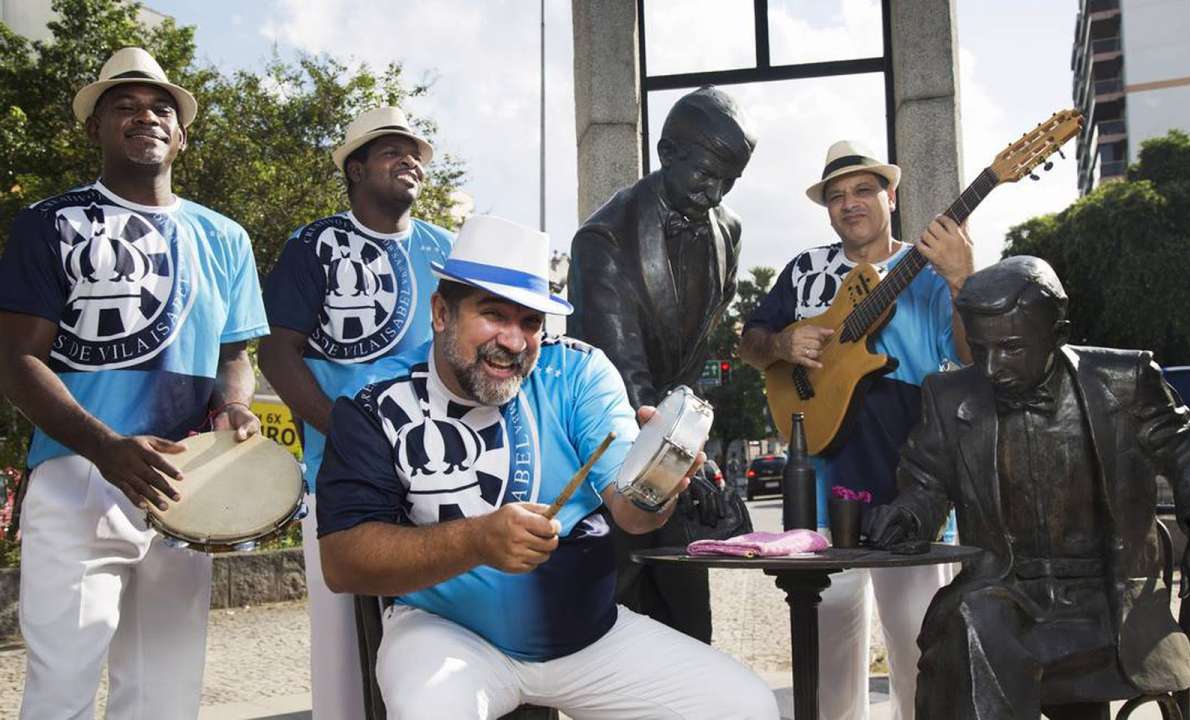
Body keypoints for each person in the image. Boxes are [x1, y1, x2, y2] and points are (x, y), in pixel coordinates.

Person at [316, 214, 779, 720]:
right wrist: (477, 541)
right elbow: (343, 562)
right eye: (494, 314)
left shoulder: (578, 371)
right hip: (443, 631)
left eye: (530, 321)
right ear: (441, 312)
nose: (514, 341)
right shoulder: (375, 404)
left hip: (587, 638)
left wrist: (659, 477)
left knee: (746, 707)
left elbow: (633, 513)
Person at [0, 47, 268, 719]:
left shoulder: (225, 236)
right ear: (95, 128)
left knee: (164, 697)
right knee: (60, 691)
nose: (145, 115)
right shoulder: (49, 222)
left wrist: (234, 403)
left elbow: (236, 349)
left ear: (181, 135)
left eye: (161, 108)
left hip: (185, 481)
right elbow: (15, 357)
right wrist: (107, 448)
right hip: (79, 474)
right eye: (124, 104)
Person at [867, 256, 1190, 718]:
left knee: (976, 631)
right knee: (974, 621)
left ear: (1057, 332)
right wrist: (905, 516)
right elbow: (925, 484)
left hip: (1110, 602)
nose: (990, 367)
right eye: (980, 349)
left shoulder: (1126, 381)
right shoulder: (948, 397)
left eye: (1010, 348)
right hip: (1004, 596)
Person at [737, 140, 974, 720]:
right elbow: (747, 342)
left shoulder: (934, 268)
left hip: (915, 488)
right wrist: (782, 344)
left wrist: (965, 283)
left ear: (891, 196)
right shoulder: (805, 270)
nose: (850, 203)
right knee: (827, 653)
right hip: (821, 486)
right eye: (836, 196)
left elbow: (973, 362)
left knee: (922, 647)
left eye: (864, 189)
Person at [258, 105, 452, 718]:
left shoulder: (447, 249)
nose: (409, 161)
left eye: (415, 151)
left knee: (433, 632)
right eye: (390, 150)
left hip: (439, 470)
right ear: (356, 168)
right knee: (344, 650)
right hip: (341, 472)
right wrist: (342, 432)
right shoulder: (315, 245)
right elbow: (277, 353)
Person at [568, 85, 757, 643]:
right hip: (615, 448)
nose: (716, 192)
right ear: (667, 153)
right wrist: (681, 455)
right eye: (705, 175)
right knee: (621, 627)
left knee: (689, 628)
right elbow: (622, 376)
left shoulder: (729, 229)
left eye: (729, 181)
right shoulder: (603, 239)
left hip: (672, 436)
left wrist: (692, 441)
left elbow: (693, 355)